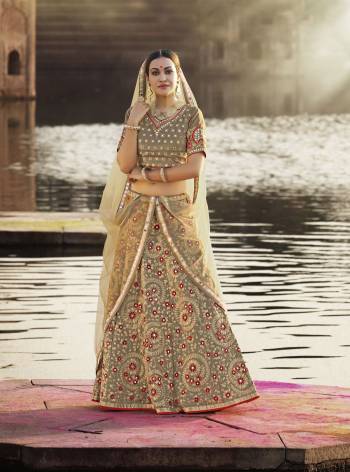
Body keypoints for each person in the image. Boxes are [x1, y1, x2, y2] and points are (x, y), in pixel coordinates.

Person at [91, 49, 260, 414]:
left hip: (176, 216)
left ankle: (208, 387)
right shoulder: (137, 115)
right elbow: (125, 165)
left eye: (169, 71)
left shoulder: (191, 116)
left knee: (194, 291)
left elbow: (194, 168)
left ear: (178, 76)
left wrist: (152, 177)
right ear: (147, 80)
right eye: (155, 72)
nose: (163, 77)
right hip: (138, 219)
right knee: (136, 297)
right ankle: (133, 392)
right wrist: (134, 122)